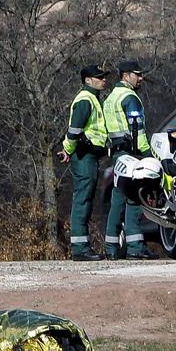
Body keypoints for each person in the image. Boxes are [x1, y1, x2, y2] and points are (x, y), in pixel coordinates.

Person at [56, 64, 110, 261]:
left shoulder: (92, 99)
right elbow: (74, 131)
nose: (104, 79)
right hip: (84, 156)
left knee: (85, 200)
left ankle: (82, 247)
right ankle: (79, 249)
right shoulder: (86, 100)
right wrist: (67, 150)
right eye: (99, 77)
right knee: (82, 200)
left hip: (90, 156)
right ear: (88, 80)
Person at [103, 60, 156, 260]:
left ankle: (111, 248)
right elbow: (138, 131)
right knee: (134, 199)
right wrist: (148, 155)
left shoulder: (110, 98)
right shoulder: (130, 98)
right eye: (137, 74)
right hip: (133, 154)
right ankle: (135, 247)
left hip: (117, 155)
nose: (141, 78)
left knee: (117, 201)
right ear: (126, 75)